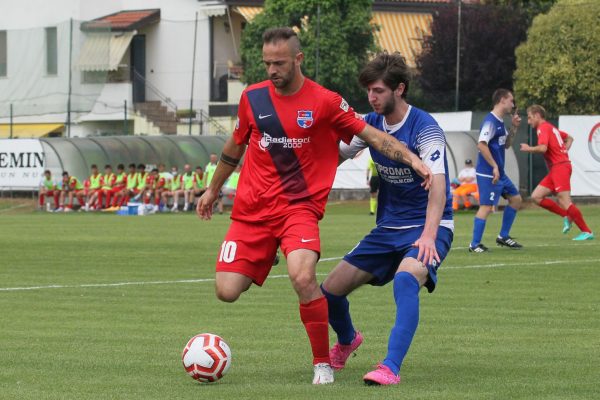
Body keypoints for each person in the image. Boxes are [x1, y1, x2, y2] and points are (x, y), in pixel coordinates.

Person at [196, 27, 432, 385]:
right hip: (252, 212)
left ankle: (322, 362)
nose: (272, 70)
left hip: (298, 210)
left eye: (279, 63)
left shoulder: (324, 101)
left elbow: (372, 136)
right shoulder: (252, 98)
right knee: (226, 292)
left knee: (303, 277)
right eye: (266, 63)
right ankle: (266, 253)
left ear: (298, 59)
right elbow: (234, 147)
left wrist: (412, 160)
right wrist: (212, 190)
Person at [321, 52, 453, 385]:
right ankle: (348, 339)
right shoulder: (370, 125)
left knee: (406, 280)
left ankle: (390, 367)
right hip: (387, 229)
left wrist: (428, 235)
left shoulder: (425, 129)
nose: (372, 97)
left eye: (379, 90)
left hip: (428, 227)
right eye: (369, 90)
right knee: (329, 292)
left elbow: (438, 183)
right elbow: (333, 157)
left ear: (400, 89)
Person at [520, 105, 594, 240]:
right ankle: (566, 215)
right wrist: (564, 152)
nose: (528, 121)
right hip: (557, 168)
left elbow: (543, 148)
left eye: (530, 118)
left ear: (537, 115)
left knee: (564, 200)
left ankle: (587, 231)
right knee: (536, 196)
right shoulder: (551, 127)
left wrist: (528, 148)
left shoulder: (542, 128)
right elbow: (570, 138)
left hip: (560, 167)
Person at [469, 89, 523, 253]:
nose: (513, 105)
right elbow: (481, 144)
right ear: (502, 100)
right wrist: (493, 166)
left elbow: (506, 145)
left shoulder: (500, 122)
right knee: (485, 207)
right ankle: (474, 245)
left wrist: (513, 127)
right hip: (488, 173)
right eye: (511, 101)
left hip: (499, 172)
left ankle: (503, 236)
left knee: (516, 199)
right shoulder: (490, 121)